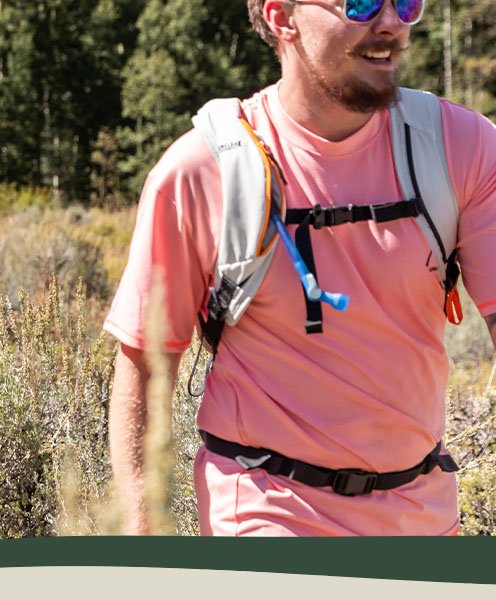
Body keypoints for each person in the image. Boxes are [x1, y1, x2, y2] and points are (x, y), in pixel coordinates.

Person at [105, 0, 496, 535]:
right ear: (280, 16)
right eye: (360, 3)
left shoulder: (461, 147)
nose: (391, 23)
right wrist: (141, 530)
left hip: (421, 512)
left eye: (405, 3)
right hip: (265, 509)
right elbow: (146, 364)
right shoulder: (202, 171)